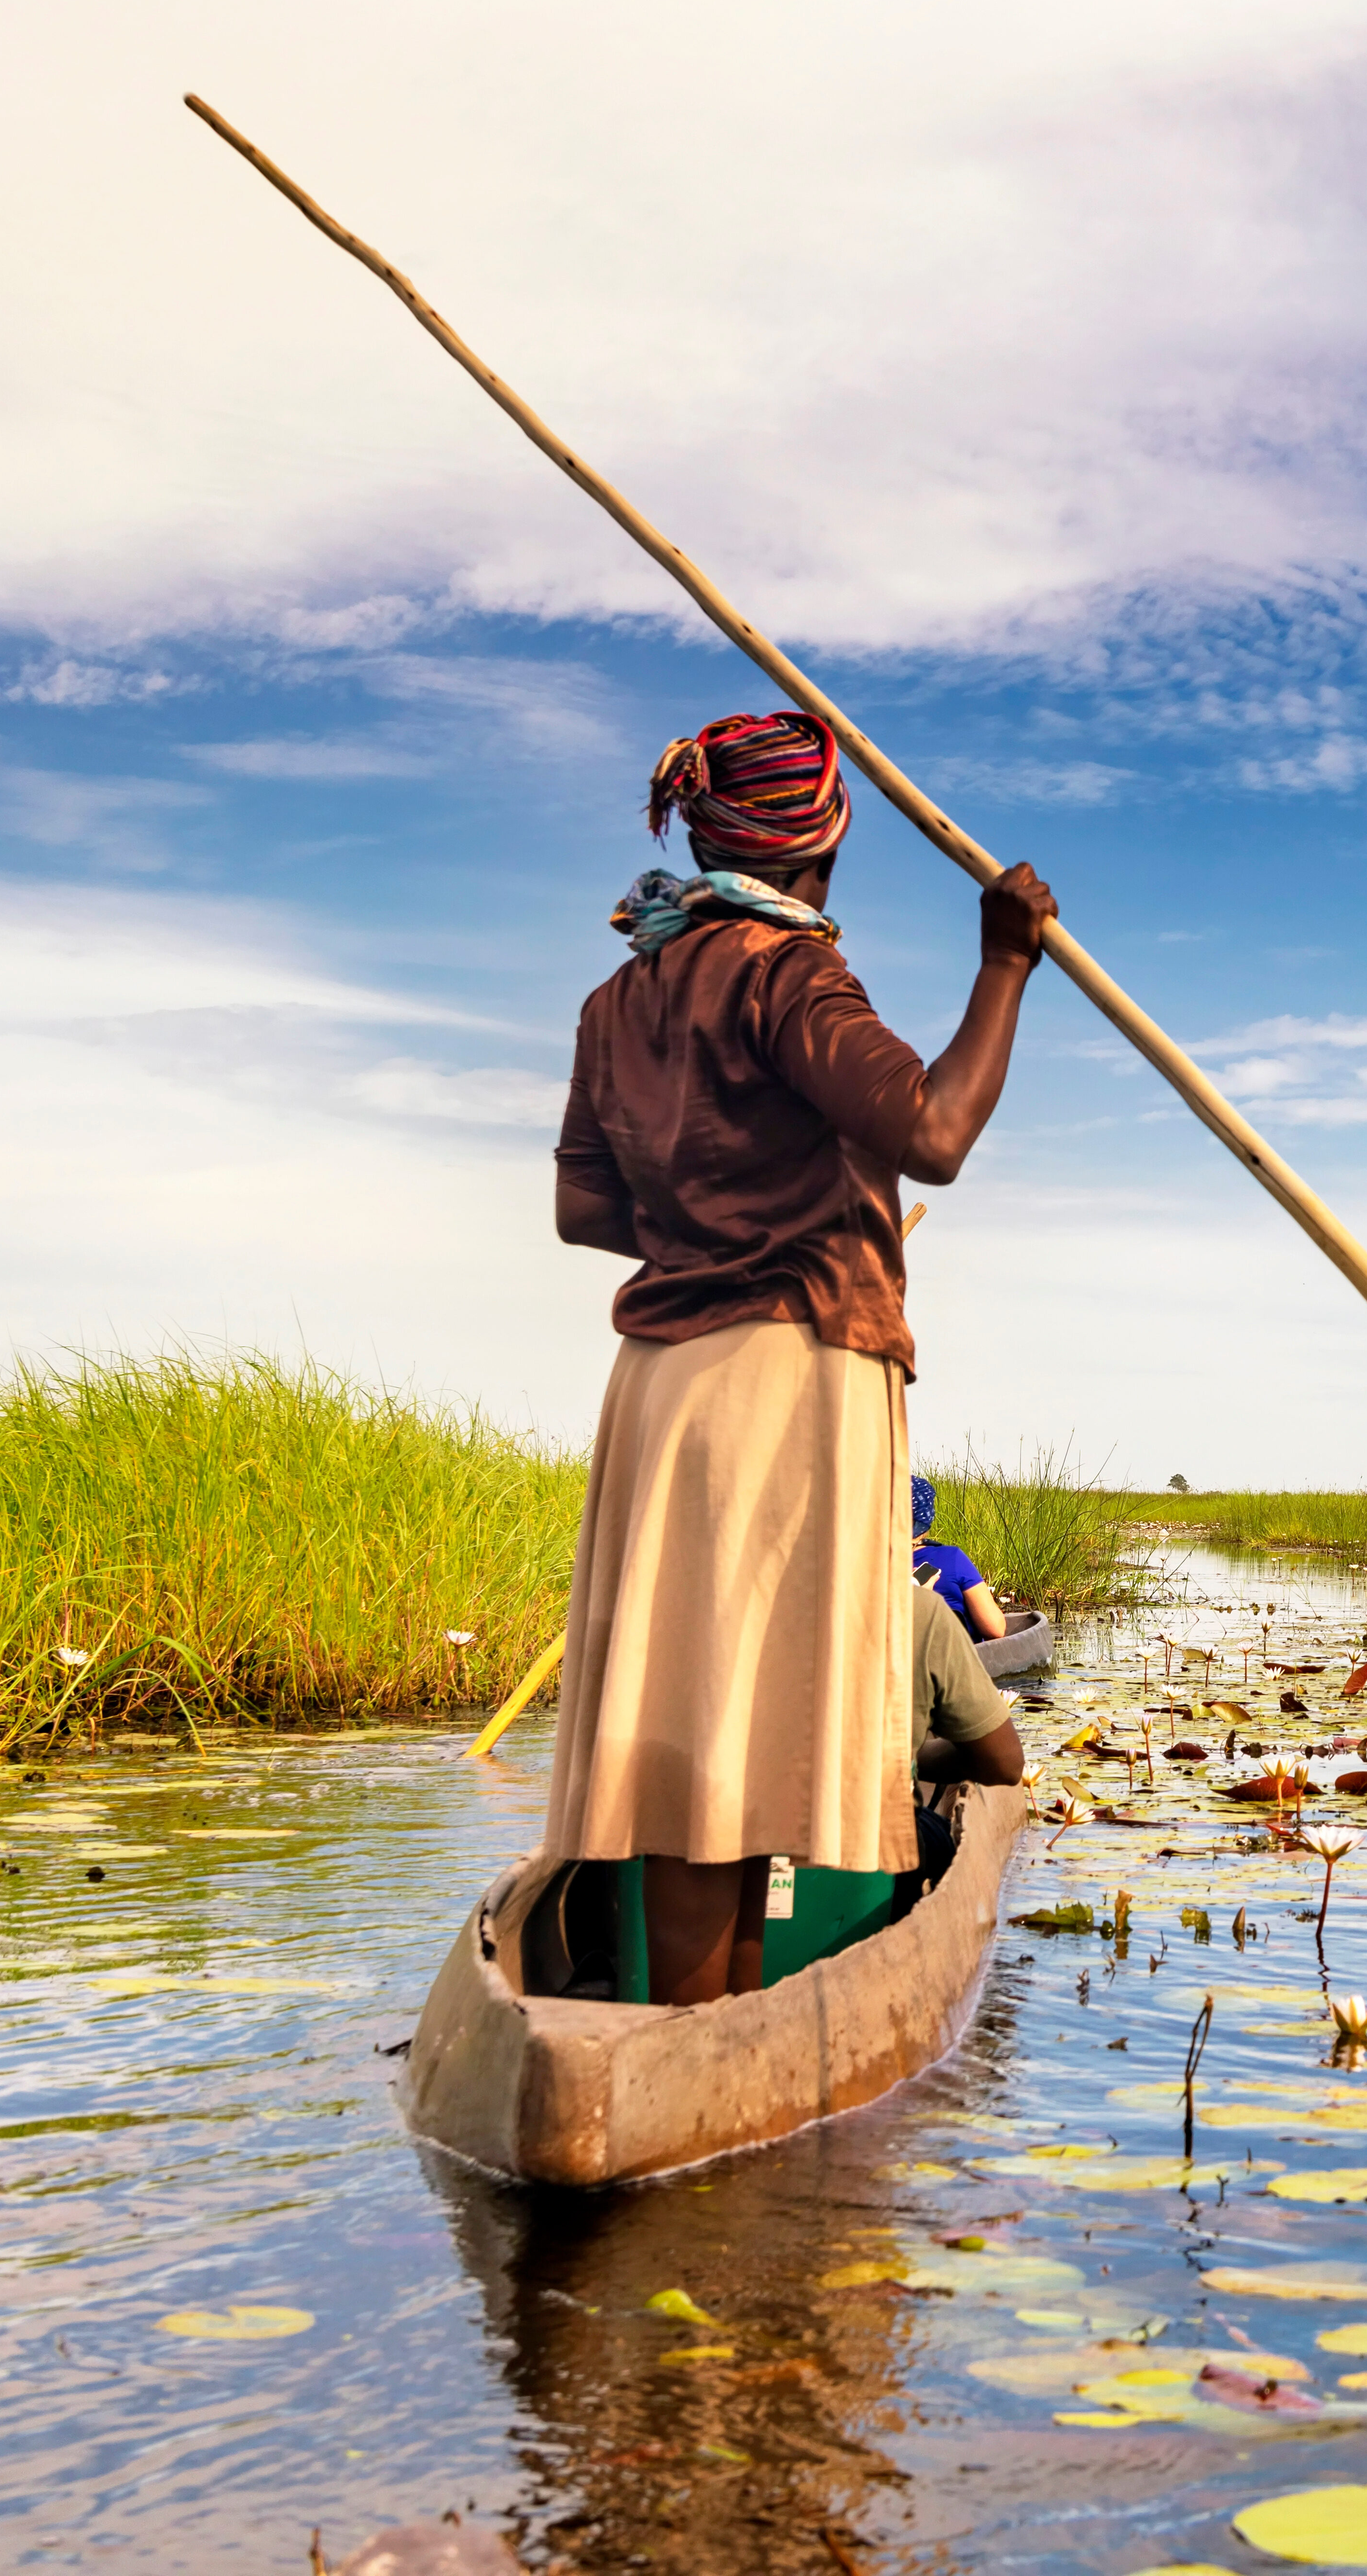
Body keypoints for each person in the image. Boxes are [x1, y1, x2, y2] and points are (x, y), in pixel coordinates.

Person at [540, 707, 1045, 2007]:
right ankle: (707, 2050)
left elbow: (586, 1212)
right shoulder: (788, 972)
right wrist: (1005, 966)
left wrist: (710, 1211)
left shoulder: (622, 996)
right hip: (791, 1366)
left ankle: (699, 2031)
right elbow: (931, 1132)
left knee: (697, 1725)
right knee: (749, 1739)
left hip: (665, 1387)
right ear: (824, 833)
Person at [911, 1474, 1006, 1643]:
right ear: (926, 1518)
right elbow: (995, 1629)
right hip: (951, 1661)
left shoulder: (865, 1565)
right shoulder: (951, 1558)